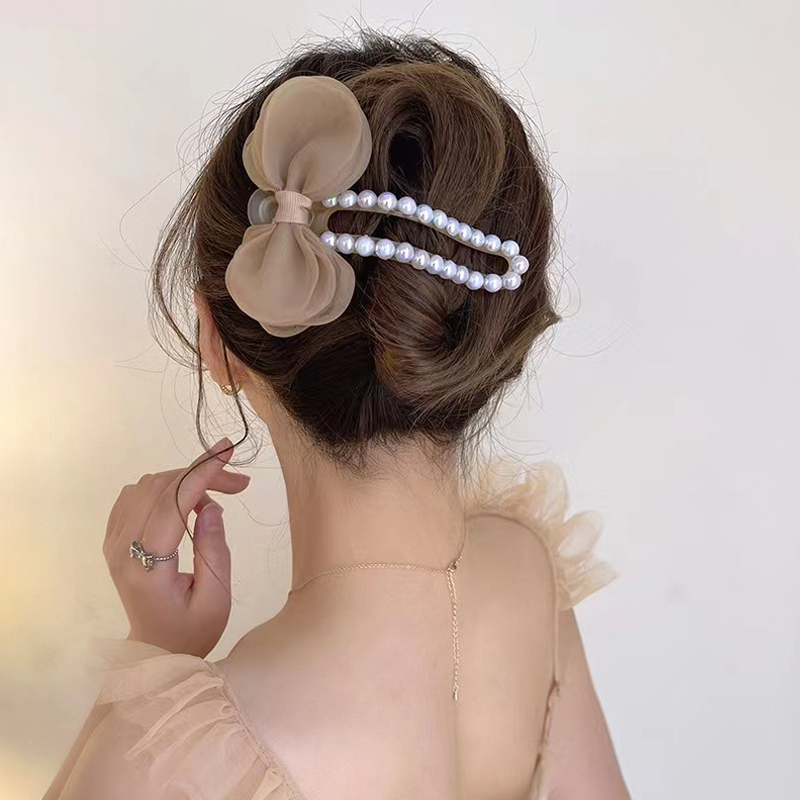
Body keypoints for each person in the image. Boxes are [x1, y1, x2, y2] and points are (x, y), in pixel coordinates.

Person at [44, 32, 630, 800]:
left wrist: (154, 661)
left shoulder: (179, 759)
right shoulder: (527, 573)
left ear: (217, 340)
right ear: (478, 339)